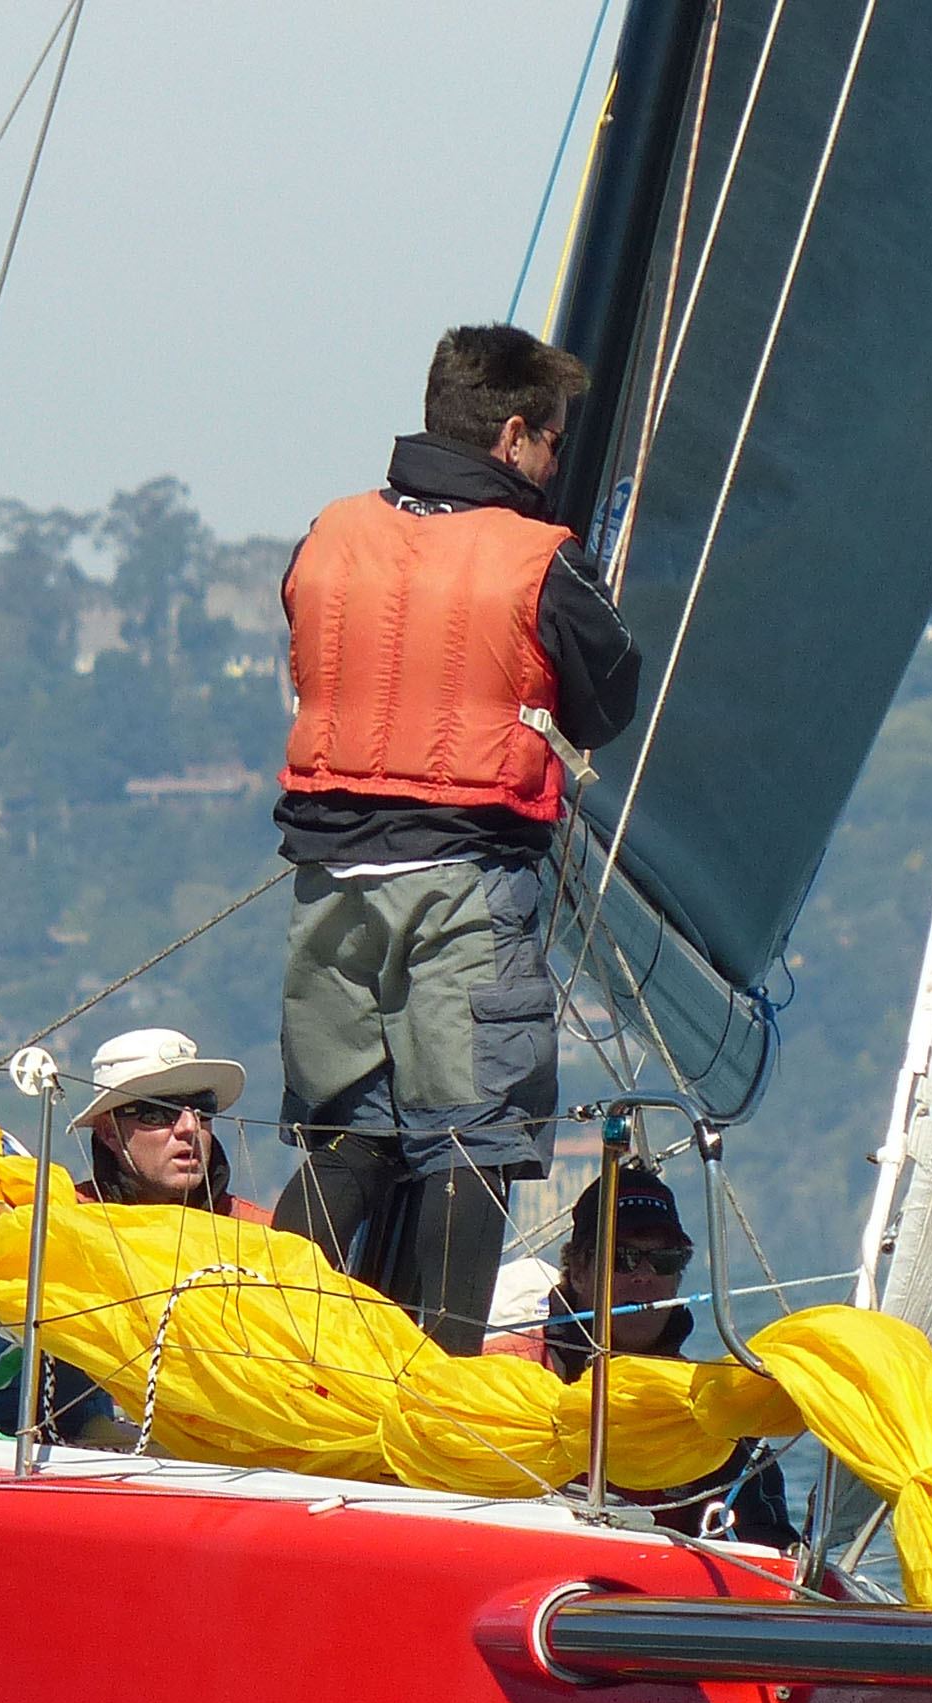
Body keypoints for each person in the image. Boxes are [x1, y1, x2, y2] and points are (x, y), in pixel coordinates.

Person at [268, 322, 641, 1356]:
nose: (553, 464)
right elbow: (607, 697)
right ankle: (443, 1382)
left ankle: (267, 1352)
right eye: (551, 443)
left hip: (330, 882)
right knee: (469, 1139)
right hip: (464, 881)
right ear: (512, 435)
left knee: (345, 1131)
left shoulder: (327, 534)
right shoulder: (538, 560)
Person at [487, 1161, 791, 1542]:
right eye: (623, 1258)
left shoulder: (711, 1413)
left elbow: (768, 1548)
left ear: (678, 1278)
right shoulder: (504, 1369)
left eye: (665, 1260)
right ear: (578, 1270)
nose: (644, 1276)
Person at [72, 1028, 267, 1220]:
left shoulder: (261, 1232)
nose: (190, 1126)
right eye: (157, 1113)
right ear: (109, 1131)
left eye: (203, 1106)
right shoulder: (67, 1224)